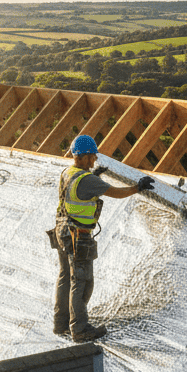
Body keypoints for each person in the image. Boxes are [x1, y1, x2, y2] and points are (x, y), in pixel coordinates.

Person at [53, 134, 154, 342]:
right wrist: (138, 187)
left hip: (61, 230)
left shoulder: (68, 172)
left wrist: (95, 177)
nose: (94, 161)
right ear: (79, 157)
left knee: (65, 278)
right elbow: (116, 192)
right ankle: (80, 329)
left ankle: (60, 324)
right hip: (77, 236)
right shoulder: (88, 179)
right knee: (81, 282)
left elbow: (79, 191)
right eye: (90, 157)